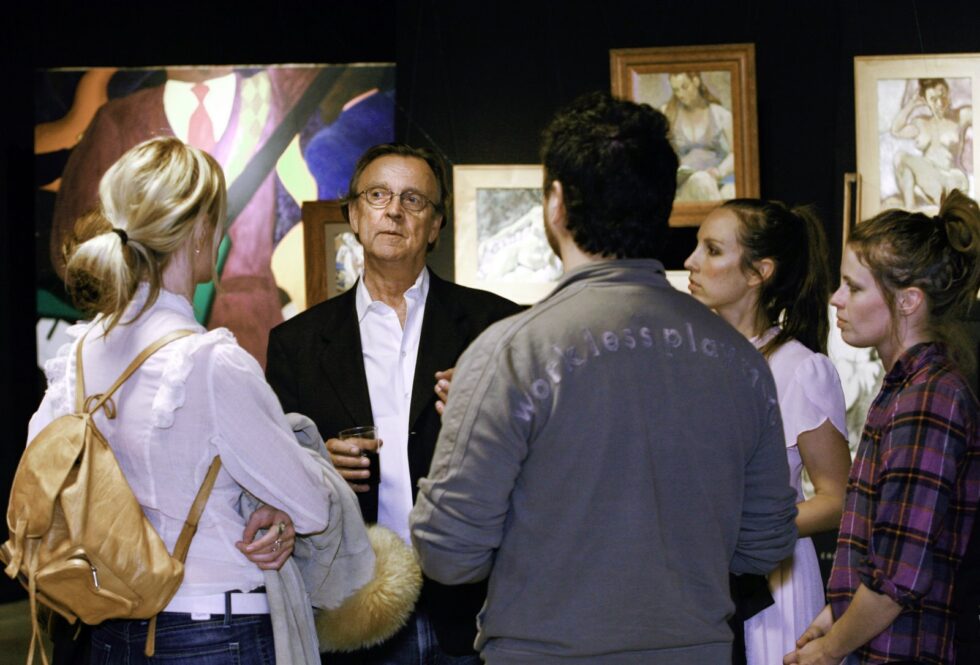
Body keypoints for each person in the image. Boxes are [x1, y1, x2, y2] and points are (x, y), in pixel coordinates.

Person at [409, 91, 799, 664]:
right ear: (664, 206)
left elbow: (447, 553)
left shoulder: (509, 354)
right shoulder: (742, 361)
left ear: (555, 204)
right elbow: (765, 544)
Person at [26, 137, 343, 663]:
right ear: (199, 232)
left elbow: (40, 479)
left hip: (110, 633)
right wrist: (275, 506)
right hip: (213, 630)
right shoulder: (210, 363)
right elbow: (311, 506)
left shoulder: (78, 354)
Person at [265, 143, 521, 664]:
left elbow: (541, 455)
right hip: (356, 606)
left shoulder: (496, 326)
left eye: (413, 199)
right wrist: (318, 465)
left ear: (435, 225)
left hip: (474, 603)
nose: (395, 211)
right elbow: (271, 475)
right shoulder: (296, 343)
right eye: (378, 195)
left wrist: (488, 415)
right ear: (355, 216)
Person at [786, 190, 980, 665]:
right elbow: (882, 547)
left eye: (854, 288)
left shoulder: (929, 397)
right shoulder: (906, 388)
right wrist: (835, 615)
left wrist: (830, 649)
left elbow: (899, 576)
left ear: (908, 300)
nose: (837, 299)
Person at [685, 199, 852, 664]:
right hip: (697, 583)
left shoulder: (799, 369)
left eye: (712, 250)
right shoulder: (686, 358)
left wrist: (747, 531)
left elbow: (839, 498)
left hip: (772, 583)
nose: (691, 261)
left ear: (759, 272)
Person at [890, 78, 972, 211]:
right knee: (900, 158)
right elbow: (896, 130)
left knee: (901, 157)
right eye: (933, 99)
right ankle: (910, 208)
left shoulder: (960, 116)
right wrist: (912, 104)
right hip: (930, 182)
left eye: (942, 96)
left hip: (953, 179)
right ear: (925, 101)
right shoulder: (921, 123)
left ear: (948, 93)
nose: (940, 103)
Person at [661, 71, 736, 202]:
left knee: (732, 191)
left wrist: (719, 172)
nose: (680, 94)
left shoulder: (720, 114)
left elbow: (737, 153)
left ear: (696, 81)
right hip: (683, 186)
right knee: (701, 180)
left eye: (684, 87)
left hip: (715, 179)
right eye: (676, 90)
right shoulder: (668, 113)